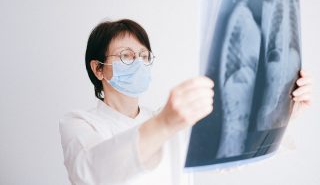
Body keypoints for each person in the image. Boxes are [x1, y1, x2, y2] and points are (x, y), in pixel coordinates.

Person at [59, 19, 313, 185]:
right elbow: (91, 174)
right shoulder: (80, 123)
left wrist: (283, 113)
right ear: (98, 69)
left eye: (144, 55)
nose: (138, 62)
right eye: (126, 55)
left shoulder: (169, 119)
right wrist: (164, 124)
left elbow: (231, 153)